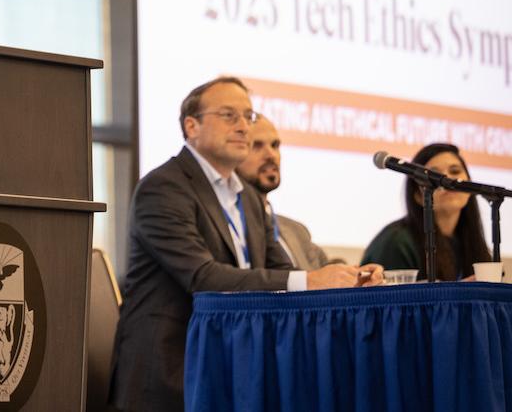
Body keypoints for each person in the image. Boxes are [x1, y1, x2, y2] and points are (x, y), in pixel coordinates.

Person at [107, 77, 382, 412]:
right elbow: (203, 278)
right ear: (191, 126)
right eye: (229, 115)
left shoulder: (249, 198)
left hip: (234, 365)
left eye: (248, 117)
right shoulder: (163, 188)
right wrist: (311, 280)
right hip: (172, 369)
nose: (242, 127)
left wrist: (346, 279)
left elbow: (280, 270)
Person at [362, 143, 492, 280]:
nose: (447, 179)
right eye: (434, 176)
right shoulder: (397, 242)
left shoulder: (469, 241)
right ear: (418, 195)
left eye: (455, 171)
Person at [236, 116, 341, 270]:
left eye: (275, 145)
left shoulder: (297, 231)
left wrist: (357, 275)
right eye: (256, 146)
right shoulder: (230, 229)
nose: (271, 155)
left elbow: (325, 277)